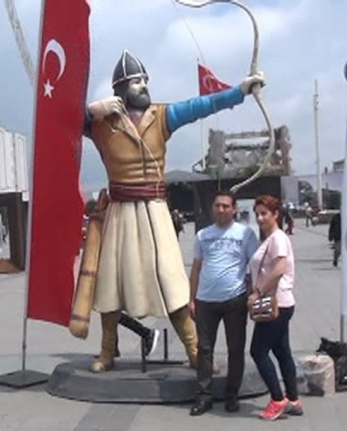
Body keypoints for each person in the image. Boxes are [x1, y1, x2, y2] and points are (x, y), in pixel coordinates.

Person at [75, 50, 265, 372]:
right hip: (120, 212)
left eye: (145, 80)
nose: (144, 85)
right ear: (120, 88)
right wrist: (91, 111)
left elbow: (199, 106)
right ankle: (108, 350)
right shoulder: (101, 123)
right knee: (110, 284)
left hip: (155, 209)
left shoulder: (161, 116)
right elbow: (59, 118)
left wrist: (240, 91)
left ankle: (193, 351)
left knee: (170, 278)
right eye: (137, 81)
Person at [188, 191, 259, 416]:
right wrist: (191, 299)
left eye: (226, 206)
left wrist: (253, 294)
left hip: (235, 300)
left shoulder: (246, 234)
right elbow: (196, 268)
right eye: (217, 205)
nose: (221, 209)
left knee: (235, 350)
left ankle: (232, 395)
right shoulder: (202, 235)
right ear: (212, 208)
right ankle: (204, 395)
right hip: (206, 301)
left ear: (234, 209)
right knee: (204, 350)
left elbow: (255, 267)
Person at [248, 195, 303, 421]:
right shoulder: (271, 238)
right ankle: (293, 399)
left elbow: (280, 268)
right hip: (280, 303)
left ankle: (277, 400)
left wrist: (258, 292)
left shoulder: (278, 238)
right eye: (257, 214)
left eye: (264, 213)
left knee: (258, 351)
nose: (260, 218)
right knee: (281, 352)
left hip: (275, 303)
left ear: (276, 214)